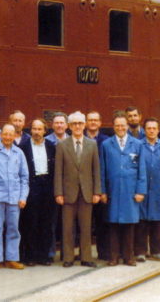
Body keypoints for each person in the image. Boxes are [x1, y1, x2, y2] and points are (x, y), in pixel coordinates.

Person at [55, 111, 101, 268]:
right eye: (74, 124)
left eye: (80, 123)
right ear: (69, 126)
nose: (77, 126)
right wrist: (58, 192)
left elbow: (96, 170)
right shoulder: (62, 145)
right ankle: (68, 257)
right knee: (68, 227)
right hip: (68, 193)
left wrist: (97, 192)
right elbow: (58, 172)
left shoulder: (92, 144)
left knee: (86, 227)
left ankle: (86, 257)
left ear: (84, 125)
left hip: (87, 193)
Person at [100, 113, 147, 266]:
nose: (120, 128)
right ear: (113, 127)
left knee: (129, 224)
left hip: (130, 190)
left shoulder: (137, 144)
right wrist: (103, 191)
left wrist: (141, 191)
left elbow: (142, 169)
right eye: (117, 125)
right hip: (113, 190)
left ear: (127, 126)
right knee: (113, 224)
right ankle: (113, 257)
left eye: (123, 125)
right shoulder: (106, 144)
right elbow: (102, 169)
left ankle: (129, 256)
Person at [0, 124, 29, 270]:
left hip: (14, 197)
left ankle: (11, 258)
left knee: (13, 228)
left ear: (14, 136)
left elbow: (24, 177)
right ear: (1, 135)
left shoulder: (19, 153)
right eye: (5, 134)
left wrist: (23, 197)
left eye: (11, 134)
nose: (8, 137)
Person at [18, 118, 57, 266]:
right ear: (30, 130)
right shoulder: (24, 146)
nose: (36, 132)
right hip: (31, 186)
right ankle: (31, 256)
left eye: (39, 129)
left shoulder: (52, 146)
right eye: (34, 129)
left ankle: (44, 256)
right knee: (31, 222)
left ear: (45, 131)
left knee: (46, 222)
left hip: (47, 185)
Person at [134, 118, 160, 262]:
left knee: (158, 222)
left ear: (158, 130)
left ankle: (157, 251)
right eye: (149, 128)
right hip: (143, 189)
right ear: (145, 130)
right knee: (141, 222)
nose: (152, 130)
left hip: (159, 190)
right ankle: (141, 251)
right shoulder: (139, 145)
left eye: (154, 128)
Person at [85, 111, 109, 261]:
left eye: (96, 120)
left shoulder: (106, 141)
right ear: (86, 122)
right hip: (84, 187)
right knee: (84, 224)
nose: (93, 122)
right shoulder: (80, 138)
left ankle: (104, 252)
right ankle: (84, 254)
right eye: (90, 120)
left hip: (100, 186)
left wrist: (102, 190)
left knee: (102, 222)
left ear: (100, 123)